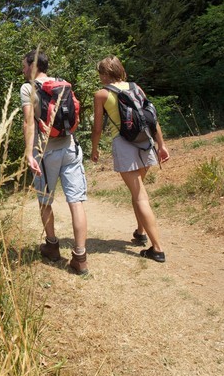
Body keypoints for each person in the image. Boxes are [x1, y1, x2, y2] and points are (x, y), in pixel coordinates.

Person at [90, 55, 170, 262]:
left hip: (124, 145)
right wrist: (161, 145)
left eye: (100, 73)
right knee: (138, 190)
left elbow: (98, 127)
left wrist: (94, 148)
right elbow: (151, 117)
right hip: (146, 143)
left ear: (106, 74)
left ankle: (157, 249)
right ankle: (140, 232)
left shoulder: (101, 94)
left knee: (140, 195)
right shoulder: (136, 88)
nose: (99, 77)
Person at [21, 50, 89, 275]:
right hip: (70, 148)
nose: (22, 70)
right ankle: (80, 257)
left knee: (45, 201)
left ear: (33, 66)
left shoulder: (28, 88)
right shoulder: (61, 84)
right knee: (76, 202)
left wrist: (30, 154)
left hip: (45, 153)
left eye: (24, 66)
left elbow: (29, 121)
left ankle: (52, 246)